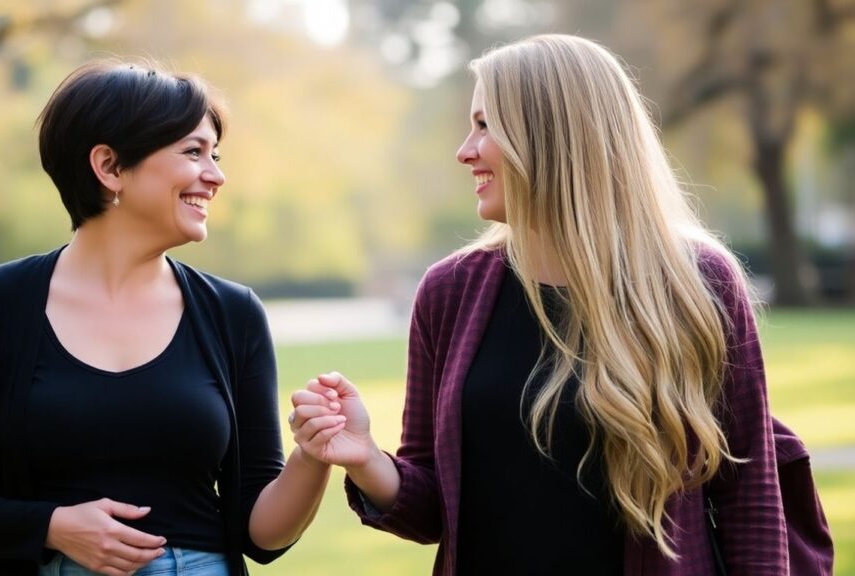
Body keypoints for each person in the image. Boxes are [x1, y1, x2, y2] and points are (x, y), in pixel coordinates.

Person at [289, 35, 789, 575]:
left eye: (485, 125)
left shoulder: (697, 283)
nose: (465, 150)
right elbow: (435, 511)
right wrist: (365, 457)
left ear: (553, 136)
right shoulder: (449, 292)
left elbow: (753, 504)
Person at [0, 60, 341, 576]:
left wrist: (312, 457)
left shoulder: (234, 313)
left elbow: (261, 535)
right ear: (109, 166)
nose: (217, 175)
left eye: (215, 155)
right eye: (193, 152)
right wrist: (52, 525)